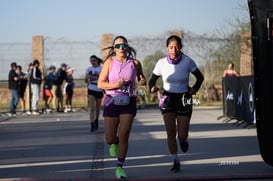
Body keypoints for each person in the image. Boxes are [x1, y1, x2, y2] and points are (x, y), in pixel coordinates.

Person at [148, 35, 204, 173]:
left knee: (182, 135)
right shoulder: (161, 63)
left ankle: (183, 141)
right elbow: (151, 81)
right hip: (167, 98)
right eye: (171, 47)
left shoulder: (187, 61)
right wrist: (152, 88)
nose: (174, 49)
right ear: (167, 47)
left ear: (181, 48)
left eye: (177, 47)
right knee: (170, 133)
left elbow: (200, 77)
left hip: (184, 98)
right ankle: (175, 160)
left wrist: (194, 88)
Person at [97, 35, 146, 179]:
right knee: (109, 138)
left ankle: (119, 167)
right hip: (111, 101)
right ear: (114, 49)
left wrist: (143, 81)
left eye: (123, 45)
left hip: (129, 101)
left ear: (127, 47)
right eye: (117, 46)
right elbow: (100, 83)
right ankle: (114, 143)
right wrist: (115, 85)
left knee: (124, 134)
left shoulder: (135, 63)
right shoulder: (109, 63)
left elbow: (141, 79)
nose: (121, 48)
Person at [85, 55, 103, 132]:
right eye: (91, 61)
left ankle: (96, 121)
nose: (93, 62)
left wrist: (98, 75)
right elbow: (85, 81)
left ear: (97, 61)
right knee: (92, 107)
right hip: (91, 88)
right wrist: (88, 77)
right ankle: (92, 124)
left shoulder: (101, 68)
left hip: (99, 89)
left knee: (97, 109)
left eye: (94, 60)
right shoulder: (88, 69)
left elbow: (104, 79)